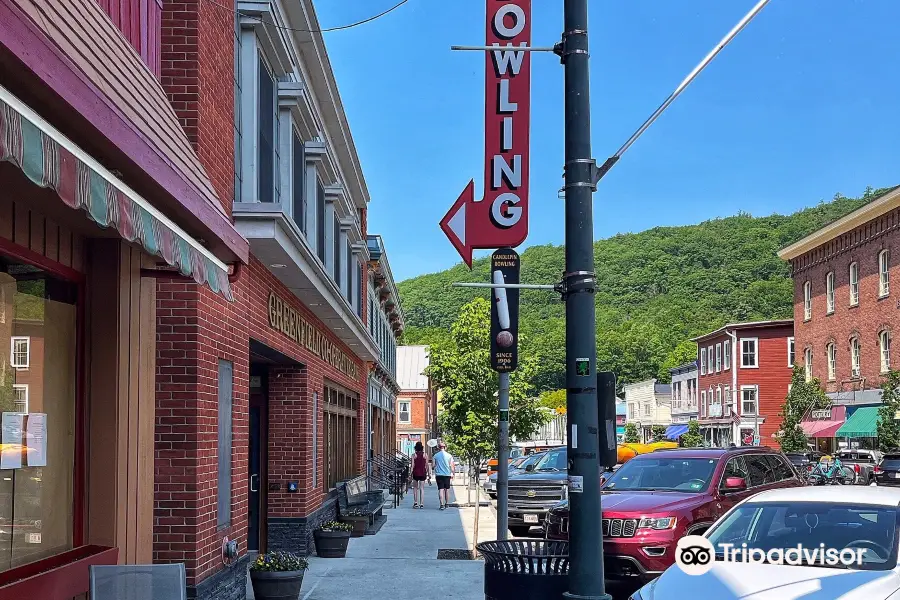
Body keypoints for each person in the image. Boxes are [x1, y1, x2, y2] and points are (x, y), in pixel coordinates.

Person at [432, 442, 455, 510]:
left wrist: (435, 467)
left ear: (439, 448)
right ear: (445, 447)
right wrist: (453, 473)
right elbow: (452, 465)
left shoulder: (435, 456)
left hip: (439, 475)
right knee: (447, 490)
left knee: (440, 489)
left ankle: (441, 504)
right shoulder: (449, 455)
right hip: (447, 474)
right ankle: (447, 504)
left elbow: (433, 465)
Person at [411, 442, 430, 508]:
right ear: (422, 447)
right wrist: (429, 474)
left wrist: (410, 473)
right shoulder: (425, 455)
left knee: (415, 488)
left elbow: (412, 465)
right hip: (423, 472)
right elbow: (427, 465)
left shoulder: (414, 455)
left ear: (415, 448)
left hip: (415, 473)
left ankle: (415, 502)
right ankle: (421, 504)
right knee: (422, 488)